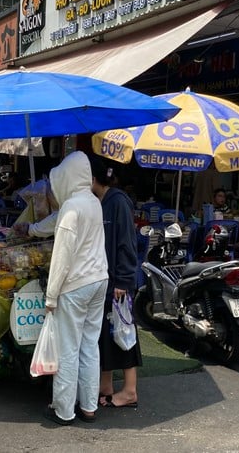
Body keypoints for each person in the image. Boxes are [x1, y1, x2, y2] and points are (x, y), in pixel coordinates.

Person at [42, 151, 109, 426]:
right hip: (99, 280)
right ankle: (89, 406)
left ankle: (64, 410)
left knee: (68, 349)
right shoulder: (94, 202)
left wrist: (51, 294)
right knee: (89, 346)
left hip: (76, 285)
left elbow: (62, 256)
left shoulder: (71, 208)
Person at [89, 156, 142, 409]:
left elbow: (127, 244)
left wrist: (123, 280)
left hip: (119, 282)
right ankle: (106, 385)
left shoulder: (118, 202)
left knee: (124, 333)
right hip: (105, 280)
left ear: (92, 178)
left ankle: (130, 391)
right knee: (106, 336)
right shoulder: (99, 201)